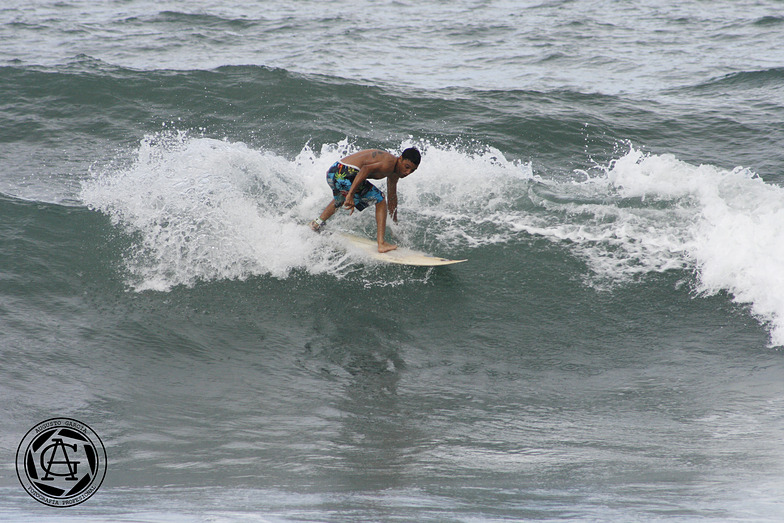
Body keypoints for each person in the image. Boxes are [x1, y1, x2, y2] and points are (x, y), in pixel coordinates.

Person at [310, 147, 421, 253]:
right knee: (380, 199)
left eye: (412, 170)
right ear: (400, 158)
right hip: (346, 173)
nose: (408, 172)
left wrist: (394, 223)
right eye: (407, 167)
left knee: (341, 198)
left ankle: (316, 224)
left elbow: (392, 197)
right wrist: (351, 194)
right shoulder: (389, 163)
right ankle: (381, 244)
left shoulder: (394, 172)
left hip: (334, 171)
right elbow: (366, 169)